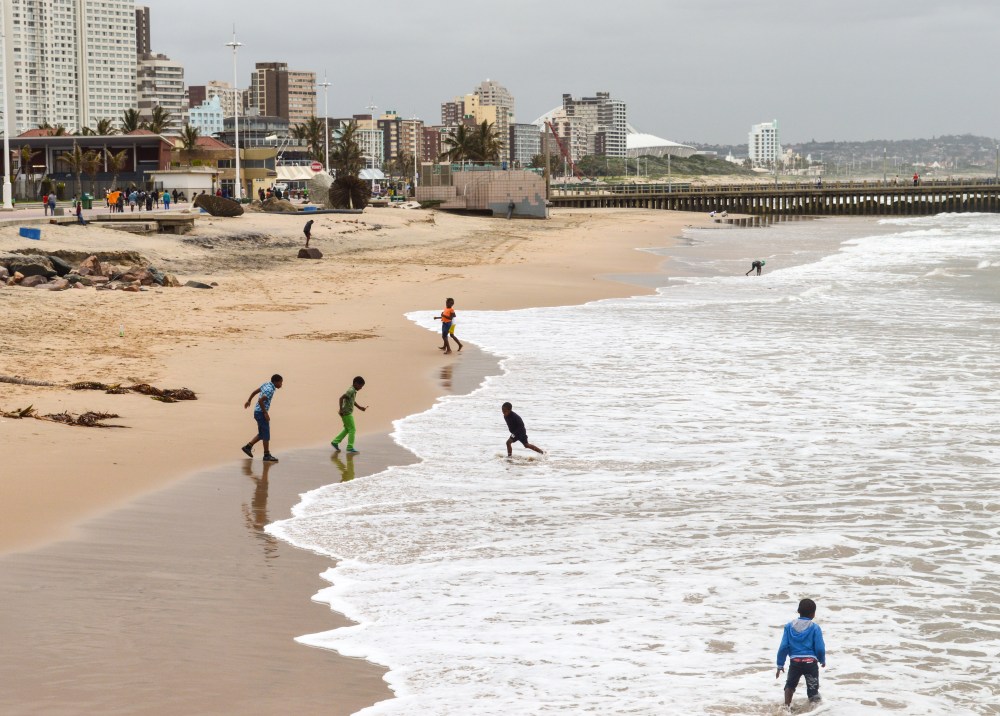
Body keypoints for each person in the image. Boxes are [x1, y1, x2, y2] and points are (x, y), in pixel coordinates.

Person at [776, 598, 826, 710]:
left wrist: (780, 664)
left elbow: (783, 647)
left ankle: (787, 707)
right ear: (813, 614)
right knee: (813, 692)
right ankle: (814, 711)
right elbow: (820, 648)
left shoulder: (789, 627)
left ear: (798, 611)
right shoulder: (815, 628)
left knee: (790, 686)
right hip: (810, 664)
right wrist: (822, 660)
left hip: (795, 663)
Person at [242, 373, 283, 463]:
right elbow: (260, 400)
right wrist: (265, 413)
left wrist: (249, 400)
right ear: (276, 382)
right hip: (261, 413)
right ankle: (266, 455)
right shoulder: (270, 390)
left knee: (262, 433)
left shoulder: (266, 384)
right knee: (266, 434)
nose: (281, 385)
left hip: (257, 412)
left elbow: (254, 392)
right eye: (281, 382)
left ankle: (248, 447)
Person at [331, 376, 367, 455]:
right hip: (346, 413)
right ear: (356, 383)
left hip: (346, 412)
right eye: (360, 386)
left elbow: (352, 401)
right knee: (352, 429)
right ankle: (350, 447)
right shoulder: (351, 390)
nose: (361, 388)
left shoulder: (353, 391)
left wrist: (360, 407)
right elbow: (341, 398)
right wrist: (341, 409)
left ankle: (335, 442)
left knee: (347, 429)